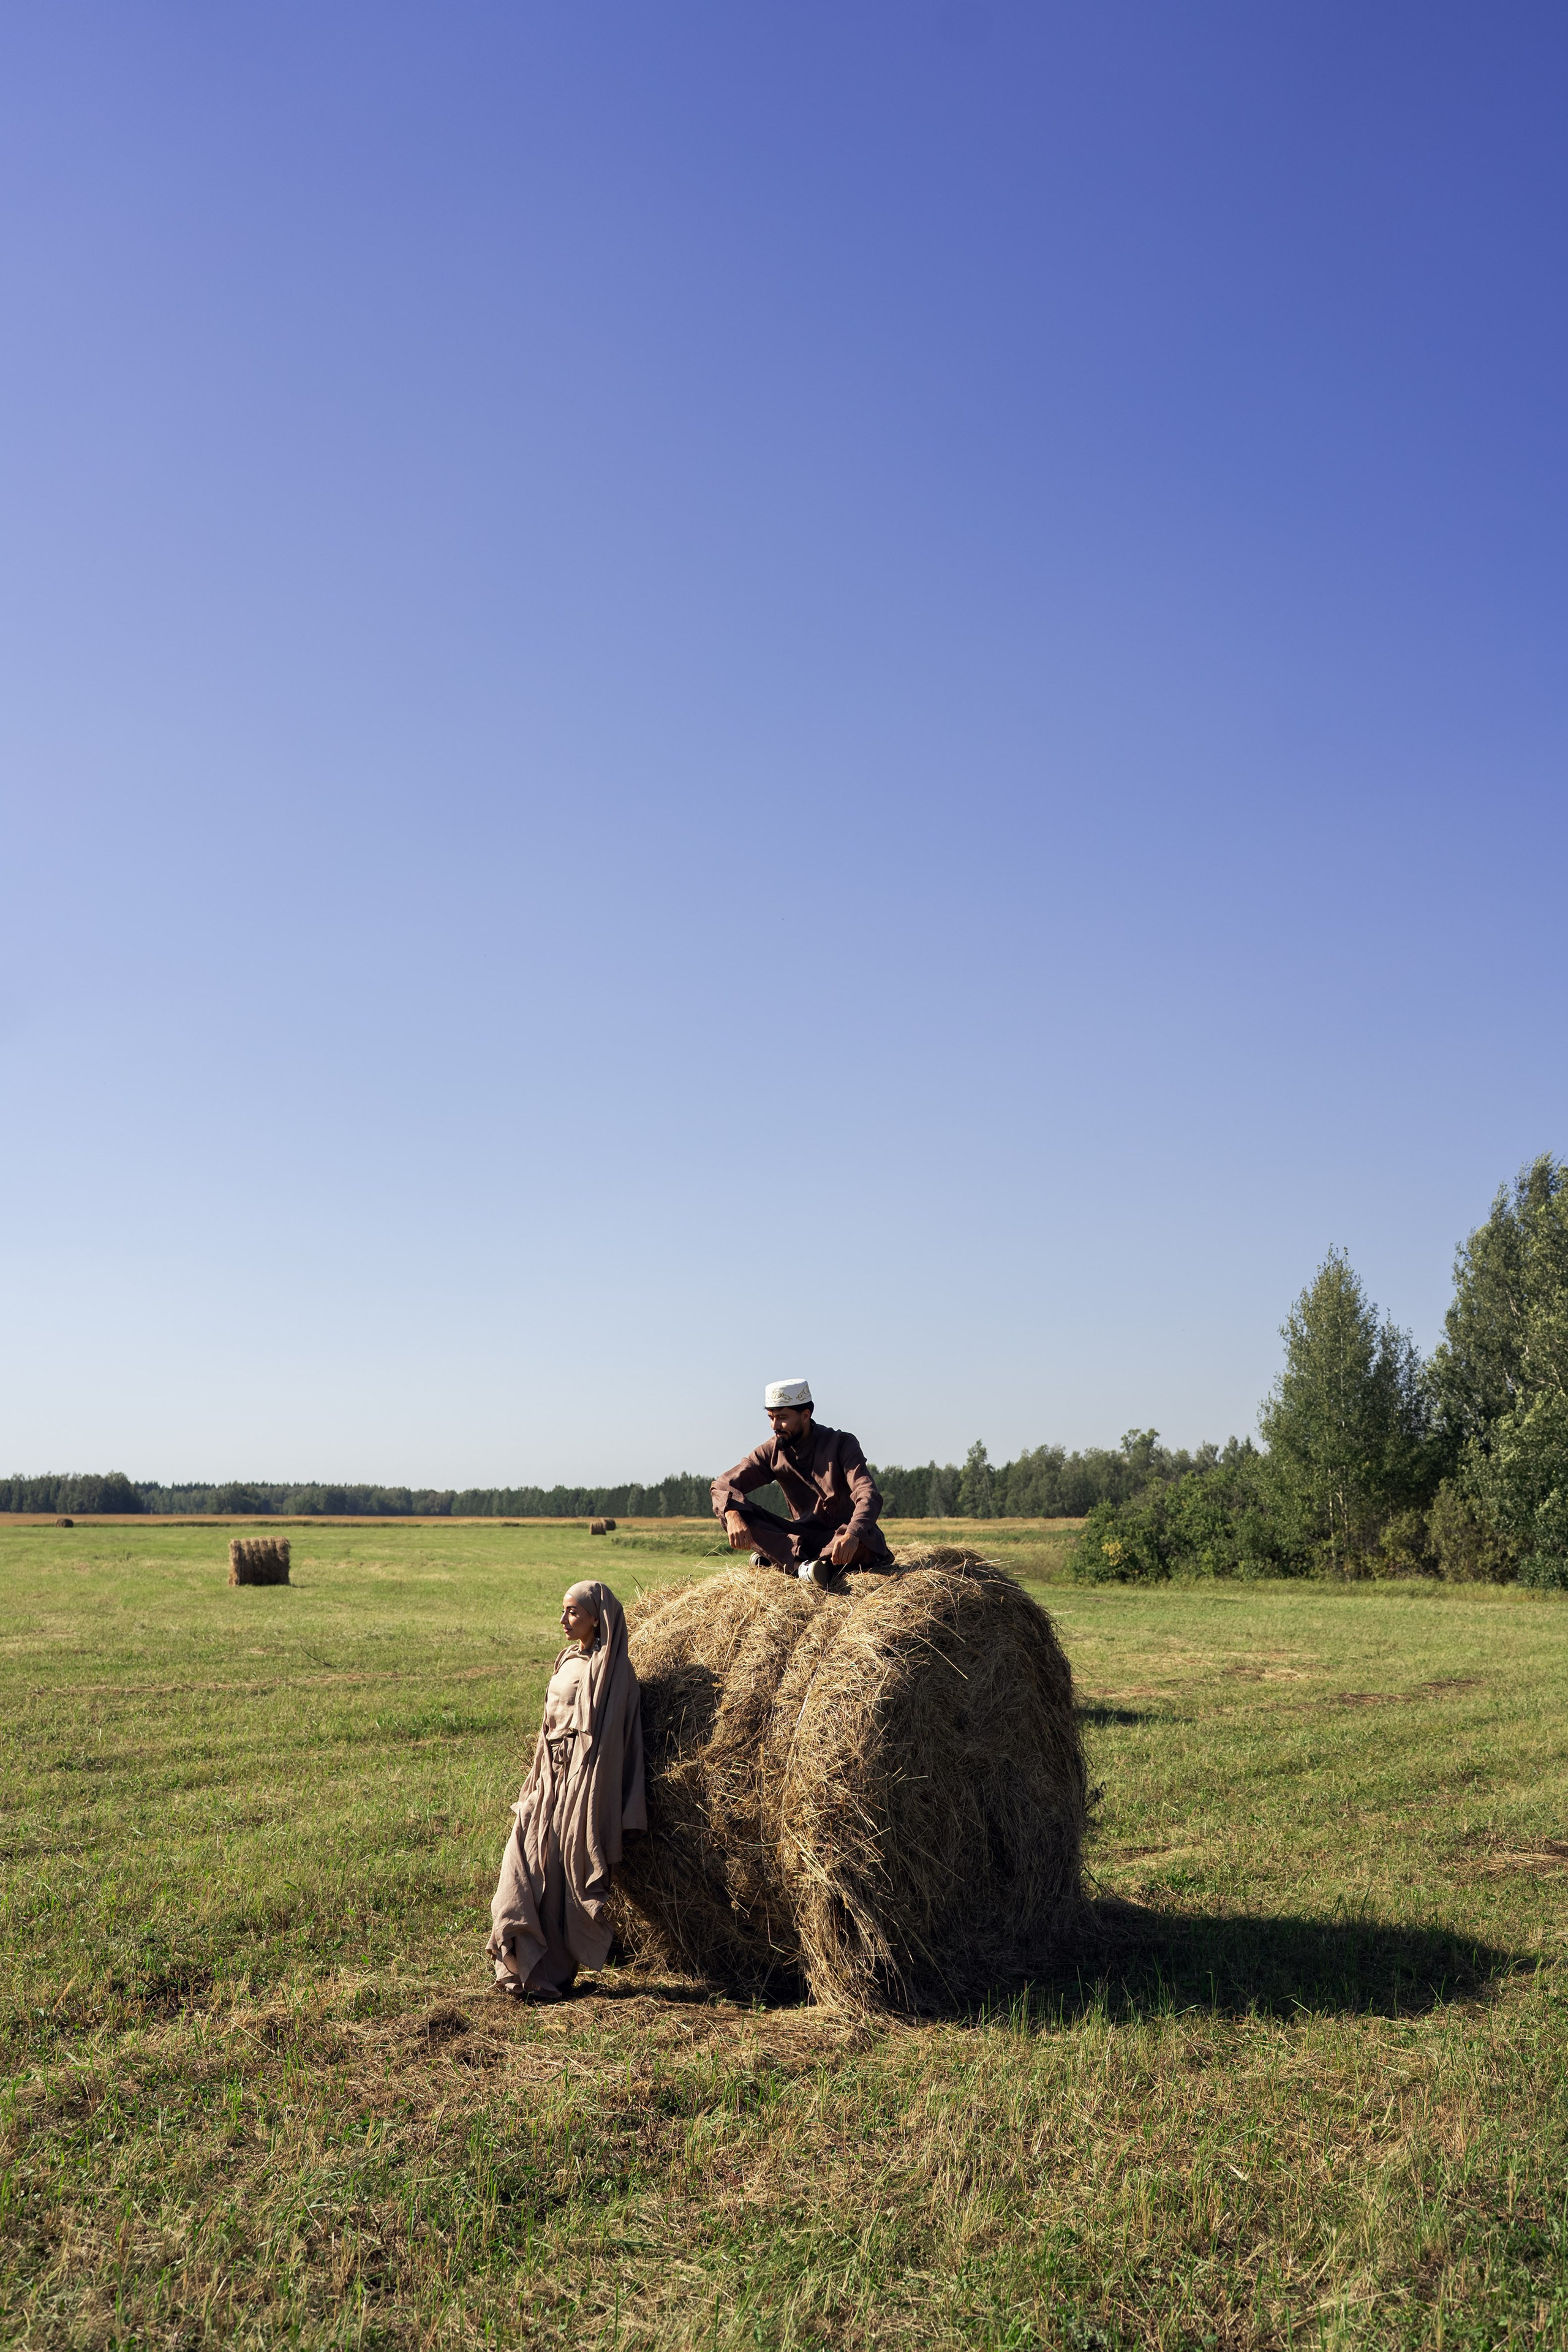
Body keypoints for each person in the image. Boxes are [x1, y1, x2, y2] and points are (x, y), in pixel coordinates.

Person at [486, 1578, 646, 2000]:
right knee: (521, 1859)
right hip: (549, 1778)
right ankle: (516, 1960)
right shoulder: (564, 1661)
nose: (564, 1620)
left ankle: (548, 1974)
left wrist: (586, 1786)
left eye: (573, 1612)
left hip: (582, 1779)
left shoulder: (615, 1672)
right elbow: (546, 1729)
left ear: (599, 1617)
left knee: (561, 1877)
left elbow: (615, 1740)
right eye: (563, 1611)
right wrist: (539, 1776)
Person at [712, 1378, 895, 1580]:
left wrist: (853, 1534)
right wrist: (732, 1514)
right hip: (800, 1538)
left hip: (842, 1537)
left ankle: (782, 1559)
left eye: (782, 1418)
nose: (775, 1425)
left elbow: (868, 1494)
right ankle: (800, 1566)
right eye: (771, 1417)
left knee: (860, 1544)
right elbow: (722, 1484)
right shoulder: (772, 1450)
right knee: (733, 1509)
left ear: (806, 1415)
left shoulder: (842, 1444)